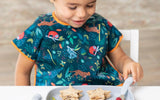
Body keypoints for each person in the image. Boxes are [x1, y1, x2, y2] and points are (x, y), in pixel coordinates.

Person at [11, 0, 143, 86]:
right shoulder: (41, 27)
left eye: (90, 5)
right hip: (54, 97)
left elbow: (119, 58)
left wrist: (128, 63)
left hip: (103, 93)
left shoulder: (100, 24)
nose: (82, 14)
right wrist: (25, 99)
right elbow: (22, 71)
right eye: (72, 7)